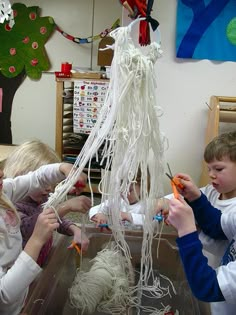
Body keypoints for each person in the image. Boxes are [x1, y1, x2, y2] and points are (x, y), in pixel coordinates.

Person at [0, 161, 90, 315]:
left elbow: (35, 178)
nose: (1, 173)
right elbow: (4, 294)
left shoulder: (4, 192)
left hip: (21, 294)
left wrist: (63, 168)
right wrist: (36, 240)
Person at [3, 139, 90, 266]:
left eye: (50, 182)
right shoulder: (12, 207)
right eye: (43, 183)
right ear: (21, 177)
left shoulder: (41, 197)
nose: (49, 188)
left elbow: (56, 220)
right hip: (22, 269)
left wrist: (74, 229)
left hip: (41, 261)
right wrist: (66, 207)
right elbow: (32, 228)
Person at [161, 130, 236, 268]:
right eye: (209, 169)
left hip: (216, 277)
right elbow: (189, 197)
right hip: (198, 268)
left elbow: (221, 244)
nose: (211, 175)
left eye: (218, 169)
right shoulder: (210, 191)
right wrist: (162, 202)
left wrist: (189, 228)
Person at [167, 174, 236, 315]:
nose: (211, 174)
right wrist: (195, 197)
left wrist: (186, 231)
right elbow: (217, 225)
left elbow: (207, 287)